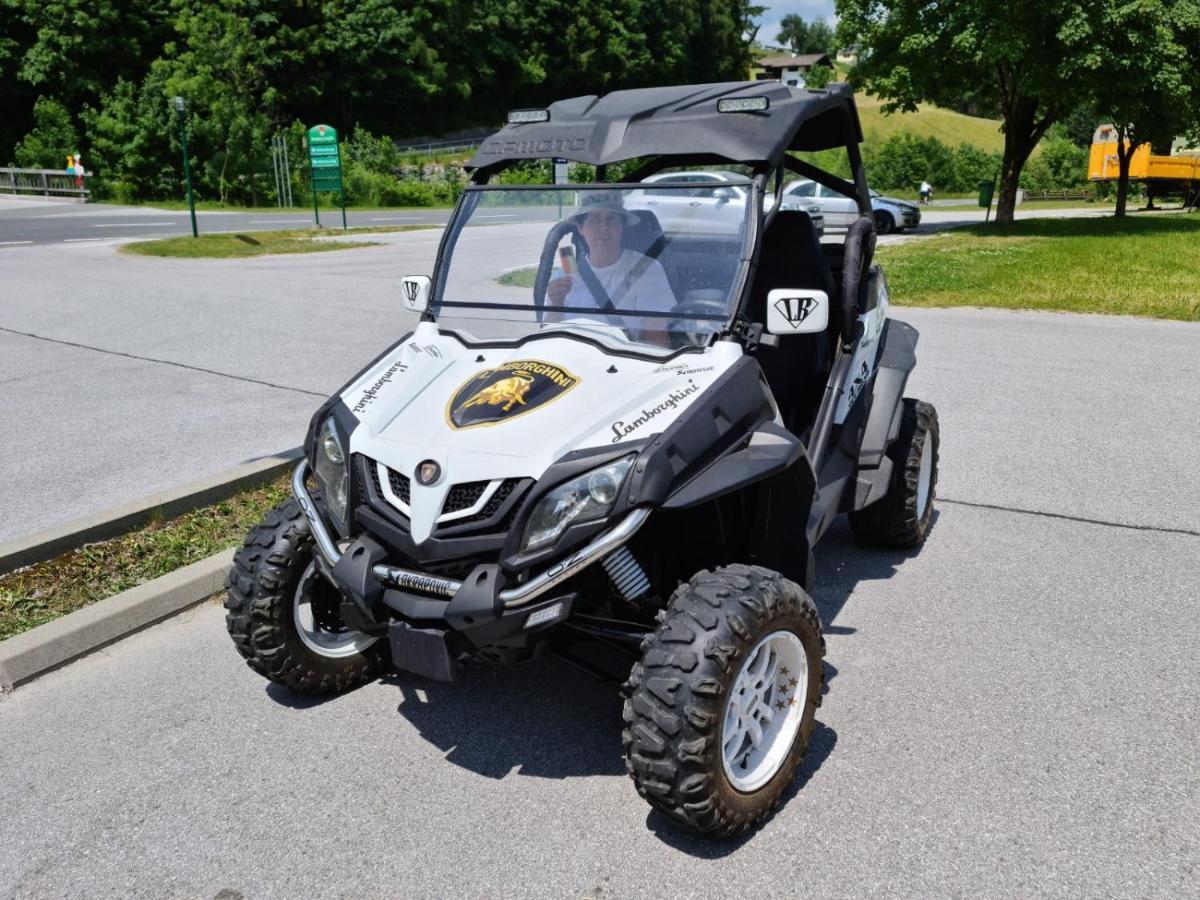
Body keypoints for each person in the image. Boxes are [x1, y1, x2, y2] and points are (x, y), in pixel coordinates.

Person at [546, 191, 676, 346]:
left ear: (622, 227)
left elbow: (657, 340)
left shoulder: (646, 270)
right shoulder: (563, 276)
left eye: (612, 220)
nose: (604, 228)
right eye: (595, 220)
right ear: (581, 228)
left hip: (621, 359)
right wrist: (555, 303)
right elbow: (549, 337)